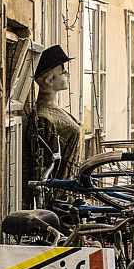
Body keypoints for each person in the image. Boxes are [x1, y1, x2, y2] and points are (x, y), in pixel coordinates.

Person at [24, 45, 82, 187]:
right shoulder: (44, 118)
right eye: (62, 71)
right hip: (59, 191)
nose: (67, 73)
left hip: (69, 186)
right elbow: (40, 164)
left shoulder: (53, 111)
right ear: (48, 80)